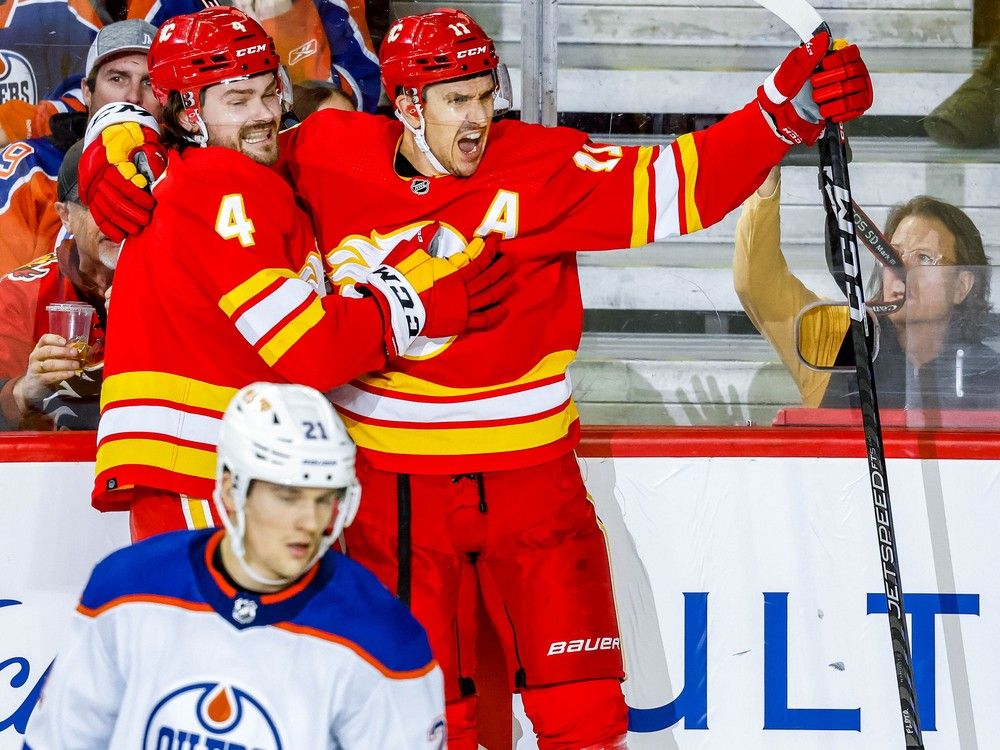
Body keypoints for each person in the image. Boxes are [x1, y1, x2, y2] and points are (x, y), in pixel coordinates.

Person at [81, 8, 875, 747]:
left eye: (486, 95)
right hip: (393, 491)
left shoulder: (542, 163)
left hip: (532, 477)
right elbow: (201, 152)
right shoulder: (317, 153)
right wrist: (114, 133)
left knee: (584, 710)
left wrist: (784, 112)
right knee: (425, 713)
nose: (477, 118)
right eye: (456, 99)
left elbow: (678, 182)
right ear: (406, 104)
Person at [87, 8, 511, 543]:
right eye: (237, 101)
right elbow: (313, 350)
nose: (263, 114)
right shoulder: (217, 185)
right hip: (205, 471)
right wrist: (412, 293)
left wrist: (116, 124)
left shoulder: (224, 173)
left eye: (269, 93)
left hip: (219, 468)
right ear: (190, 113)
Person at [23, 382, 446, 748]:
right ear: (230, 489)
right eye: (288, 496)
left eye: (324, 498)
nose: (309, 521)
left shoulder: (384, 636)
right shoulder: (127, 589)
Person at [734, 165, 1000, 410]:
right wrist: (766, 173)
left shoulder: (991, 375)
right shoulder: (840, 338)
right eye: (892, 253)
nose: (900, 268)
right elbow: (756, 282)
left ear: (962, 286)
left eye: (924, 257)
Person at [0, 19, 159, 275]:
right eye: (117, 78)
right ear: (87, 91)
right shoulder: (30, 168)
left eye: (150, 83)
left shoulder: (185, 173)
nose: (133, 97)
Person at [0, 141, 116, 430]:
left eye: (130, 199)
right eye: (96, 202)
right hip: (52, 458)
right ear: (65, 216)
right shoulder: (19, 295)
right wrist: (23, 390)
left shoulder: (177, 285)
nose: (114, 215)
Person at [128, 0, 382, 112]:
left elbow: (363, 76)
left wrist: (329, 111)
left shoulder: (325, 3)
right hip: (211, 151)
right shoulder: (161, 5)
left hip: (315, 145)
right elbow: (134, 86)